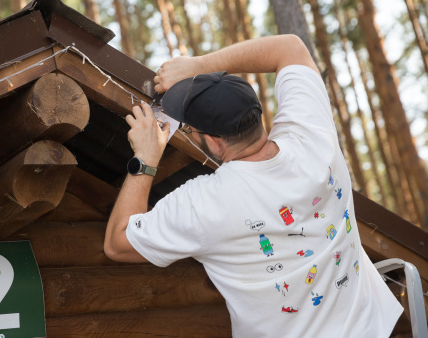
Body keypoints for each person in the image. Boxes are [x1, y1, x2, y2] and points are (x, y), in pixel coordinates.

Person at [104, 35, 403, 337]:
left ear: (213, 141)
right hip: (375, 327)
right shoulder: (312, 136)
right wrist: (199, 65)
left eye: (190, 129)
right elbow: (290, 48)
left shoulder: (205, 203)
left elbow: (117, 243)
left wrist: (145, 158)